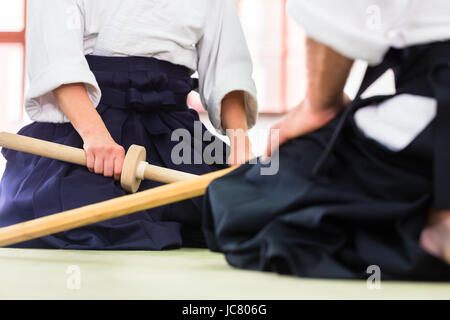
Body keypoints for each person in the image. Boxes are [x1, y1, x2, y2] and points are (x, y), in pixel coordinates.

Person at [202, 0, 450, 280]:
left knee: (238, 199)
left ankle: (435, 222)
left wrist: (318, 107)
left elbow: (335, 10)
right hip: (429, 110)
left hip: (431, 112)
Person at [0, 0, 258, 250]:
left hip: (173, 133)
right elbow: (57, 57)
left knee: (244, 213)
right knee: (83, 220)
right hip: (84, 129)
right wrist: (95, 135)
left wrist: (240, 145)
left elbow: (228, 70)